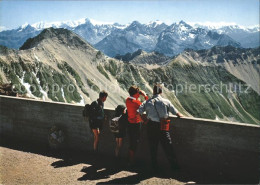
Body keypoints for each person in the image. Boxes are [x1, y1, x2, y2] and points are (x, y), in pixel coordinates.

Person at [137, 84, 183, 172]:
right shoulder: (166, 102)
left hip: (151, 126)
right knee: (168, 147)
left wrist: (144, 121)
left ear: (153, 91)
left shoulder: (147, 102)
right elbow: (177, 113)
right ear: (161, 92)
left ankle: (154, 167)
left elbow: (138, 113)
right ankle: (175, 167)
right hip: (163, 126)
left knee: (153, 147)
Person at [126, 85, 148, 165]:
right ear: (135, 94)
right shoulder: (137, 102)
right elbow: (148, 104)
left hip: (129, 123)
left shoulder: (127, 100)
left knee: (131, 141)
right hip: (136, 124)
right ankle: (131, 160)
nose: (139, 94)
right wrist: (145, 95)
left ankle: (129, 158)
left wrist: (138, 94)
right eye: (138, 93)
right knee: (135, 142)